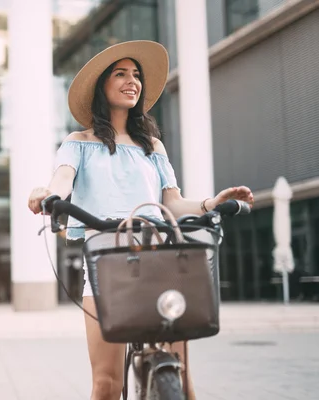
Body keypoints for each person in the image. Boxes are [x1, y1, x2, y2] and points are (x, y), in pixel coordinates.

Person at [27, 40, 254, 400]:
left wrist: (213, 202)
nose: (131, 80)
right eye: (120, 74)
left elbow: (173, 204)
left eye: (136, 75)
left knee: (182, 379)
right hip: (107, 265)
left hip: (160, 260)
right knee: (106, 385)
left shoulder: (153, 146)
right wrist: (45, 193)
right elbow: (62, 181)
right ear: (102, 86)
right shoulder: (79, 142)